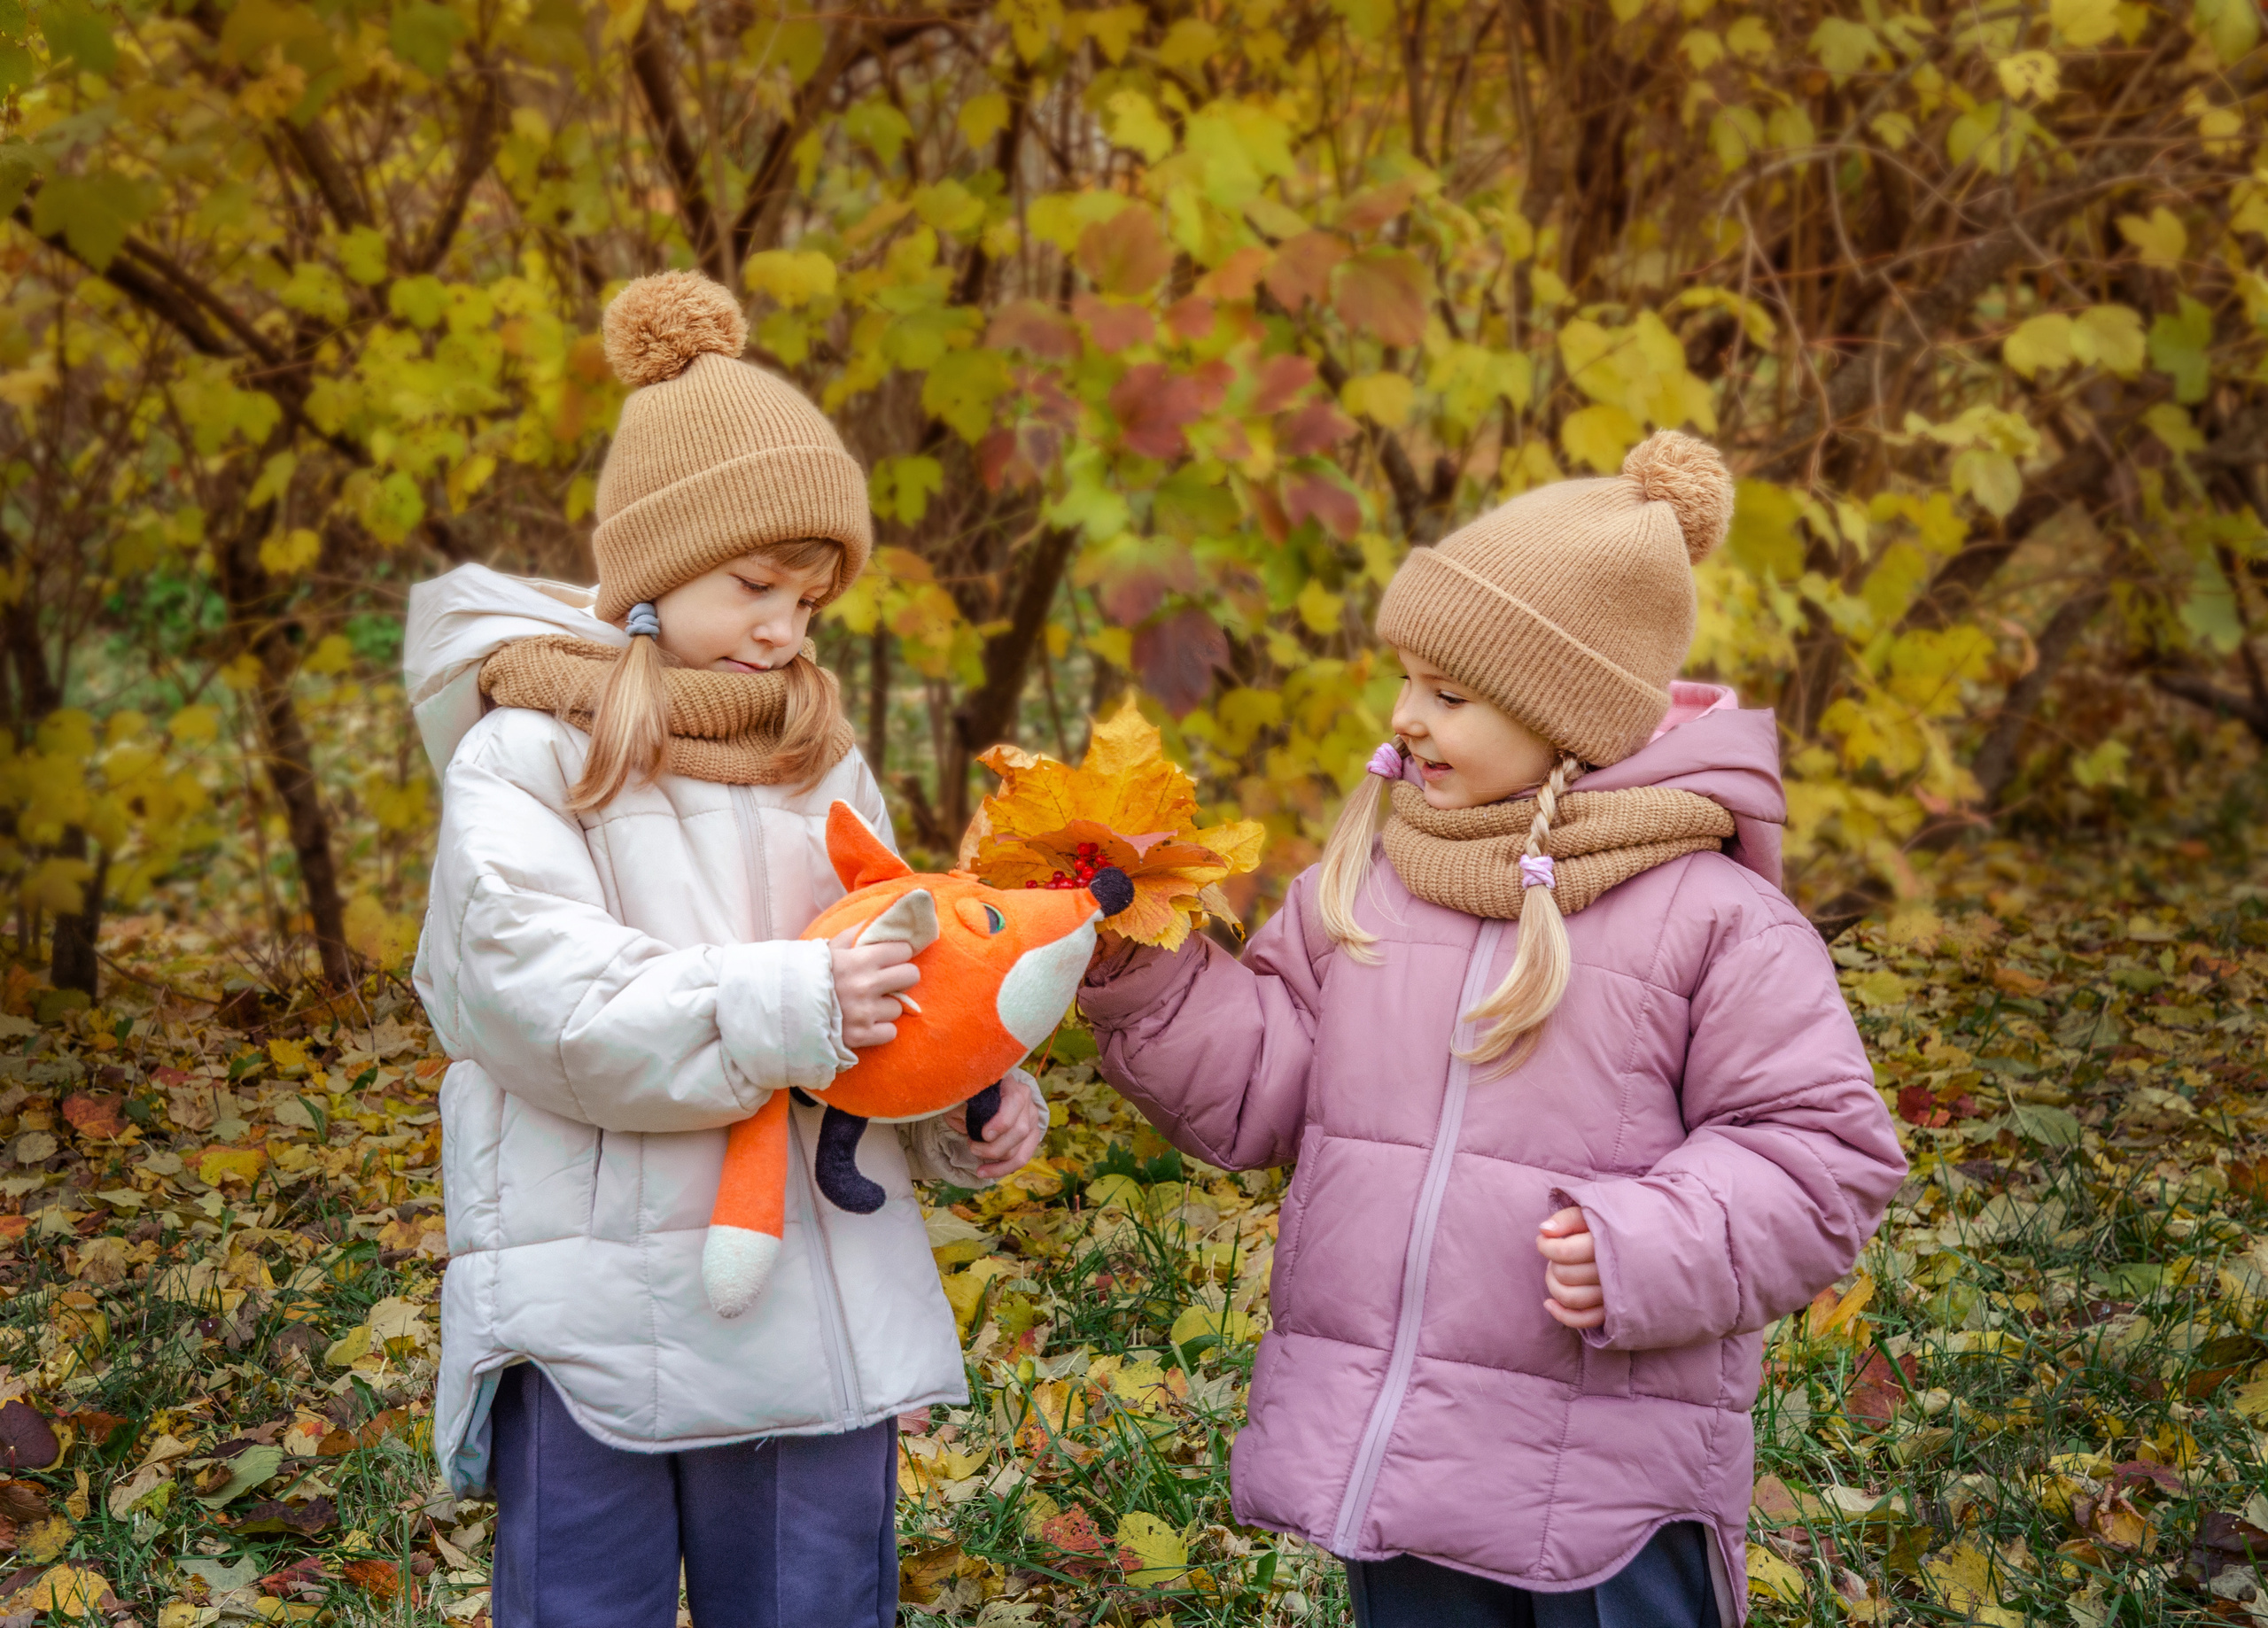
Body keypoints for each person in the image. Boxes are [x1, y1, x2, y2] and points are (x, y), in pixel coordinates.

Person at [1077, 430, 1906, 1628]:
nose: (1408, 716)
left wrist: (1645, 1242)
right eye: (1408, 679)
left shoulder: (1712, 917)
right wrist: (1149, 973)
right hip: (1407, 1458)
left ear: (1564, 718)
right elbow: (1267, 1084)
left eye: (1451, 694)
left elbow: (1822, 1154)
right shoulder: (1363, 883)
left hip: (1606, 1493)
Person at [403, 269, 1045, 1628]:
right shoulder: (526, 753)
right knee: (590, 1603)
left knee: (813, 1599)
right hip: (594, 1295)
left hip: (805, 1292)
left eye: (810, 605)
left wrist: (957, 1093)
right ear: (654, 568)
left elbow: (896, 966)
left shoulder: (817, 754)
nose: (784, 629)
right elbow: (538, 999)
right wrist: (794, 996)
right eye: (756, 584)